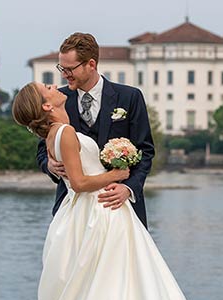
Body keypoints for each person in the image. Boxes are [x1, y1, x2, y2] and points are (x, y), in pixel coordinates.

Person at [13, 81, 223, 300]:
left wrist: (123, 176)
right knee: (116, 290)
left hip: (88, 213)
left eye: (64, 71)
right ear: (46, 105)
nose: (55, 83)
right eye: (46, 86)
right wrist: (118, 174)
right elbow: (80, 181)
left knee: (100, 293)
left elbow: (135, 151)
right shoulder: (65, 131)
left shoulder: (59, 130)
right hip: (100, 212)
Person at [37, 32, 154, 228]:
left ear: (91, 65)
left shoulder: (130, 97)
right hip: (73, 209)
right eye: (61, 68)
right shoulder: (58, 100)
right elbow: (42, 148)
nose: (64, 75)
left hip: (121, 206)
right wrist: (48, 165)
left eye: (69, 69)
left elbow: (145, 150)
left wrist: (128, 188)